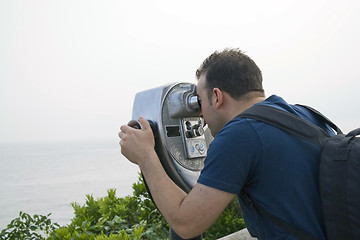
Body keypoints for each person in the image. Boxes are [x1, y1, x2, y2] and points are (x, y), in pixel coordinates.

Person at [119, 48, 330, 239]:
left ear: (217, 96)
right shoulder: (307, 115)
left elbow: (186, 224)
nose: (200, 114)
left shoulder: (240, 133)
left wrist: (145, 155)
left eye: (200, 102)